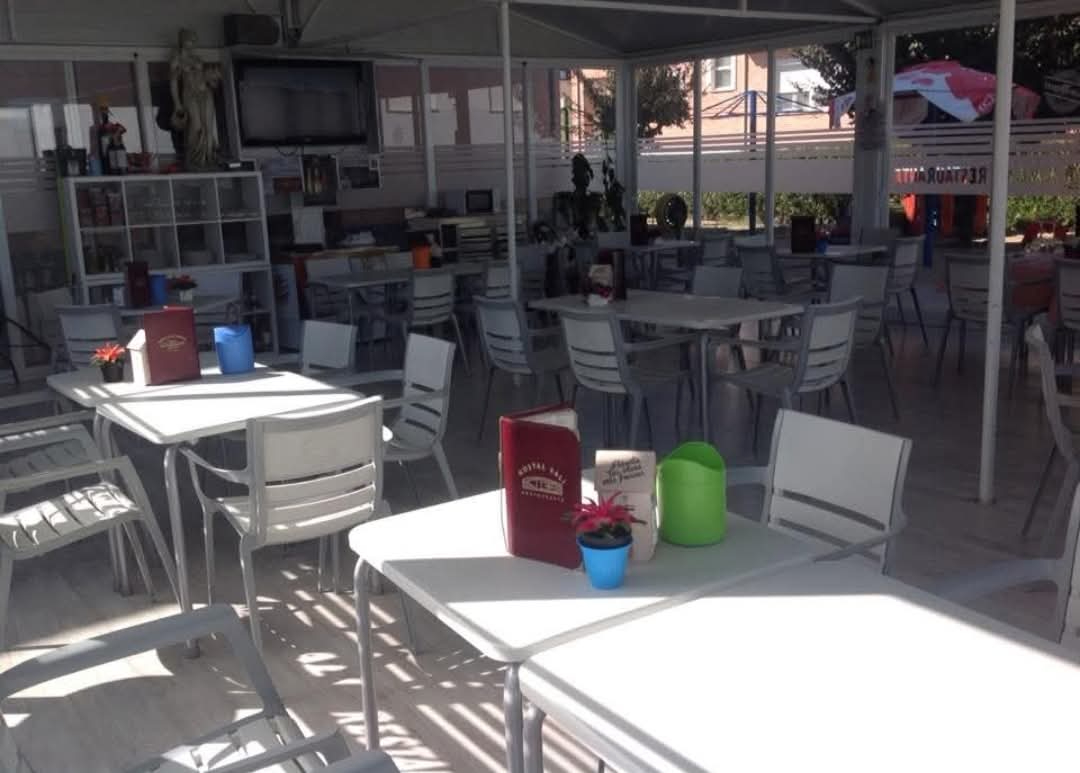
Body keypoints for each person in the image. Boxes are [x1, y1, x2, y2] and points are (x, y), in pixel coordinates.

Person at [170, 28, 220, 170]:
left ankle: (208, 159)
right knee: (196, 126)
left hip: (205, 92)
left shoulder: (197, 59)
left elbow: (206, 77)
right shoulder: (176, 59)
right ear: (183, 40)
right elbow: (173, 82)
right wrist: (177, 103)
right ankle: (194, 160)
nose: (192, 43)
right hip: (190, 94)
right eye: (190, 40)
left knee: (208, 127)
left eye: (193, 41)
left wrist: (213, 78)